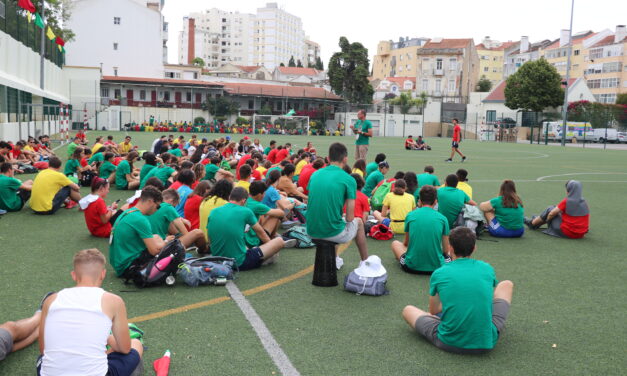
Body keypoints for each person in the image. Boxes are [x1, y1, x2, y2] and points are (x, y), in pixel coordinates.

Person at [402, 227, 514, 354]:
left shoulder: (440, 273)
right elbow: (484, 295)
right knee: (506, 284)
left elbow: (433, 311)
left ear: (451, 248)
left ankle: (451, 323)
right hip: (486, 342)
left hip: (449, 342)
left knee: (408, 310)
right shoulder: (486, 268)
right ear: (474, 248)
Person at [38, 249, 144, 375]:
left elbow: (44, 350)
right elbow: (125, 348)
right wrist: (108, 338)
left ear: (73, 275)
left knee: (42, 359)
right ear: (103, 274)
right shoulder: (114, 301)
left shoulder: (51, 300)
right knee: (135, 344)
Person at [306, 143, 369, 266]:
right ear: (345, 159)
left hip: (311, 230)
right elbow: (350, 218)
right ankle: (365, 262)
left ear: (328, 158)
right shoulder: (349, 179)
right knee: (358, 222)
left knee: (336, 220)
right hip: (332, 233)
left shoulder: (315, 175)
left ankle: (335, 258)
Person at [207, 187, 286, 270]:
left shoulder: (214, 211)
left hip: (217, 260)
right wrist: (272, 248)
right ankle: (264, 259)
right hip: (239, 262)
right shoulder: (245, 211)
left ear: (230, 197)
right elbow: (261, 233)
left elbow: (209, 239)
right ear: (243, 201)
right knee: (279, 241)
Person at [391, 185, 450, 274]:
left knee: (395, 244)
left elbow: (406, 243)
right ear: (435, 201)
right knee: (451, 250)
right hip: (437, 267)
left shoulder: (410, 215)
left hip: (411, 266)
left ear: (420, 201)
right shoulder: (443, 218)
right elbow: (445, 250)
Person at [524, 180, 589, 239]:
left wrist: (547, 220)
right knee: (555, 211)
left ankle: (532, 223)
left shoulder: (567, 201)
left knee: (550, 209)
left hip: (568, 233)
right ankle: (536, 220)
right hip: (581, 234)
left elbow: (552, 213)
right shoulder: (584, 202)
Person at [245, 181, 290, 248]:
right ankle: (272, 239)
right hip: (253, 241)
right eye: (264, 193)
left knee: (263, 215)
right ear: (260, 194)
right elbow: (281, 213)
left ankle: (274, 237)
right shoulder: (257, 205)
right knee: (275, 216)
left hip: (245, 239)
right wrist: (280, 207)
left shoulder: (245, 200)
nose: (265, 195)